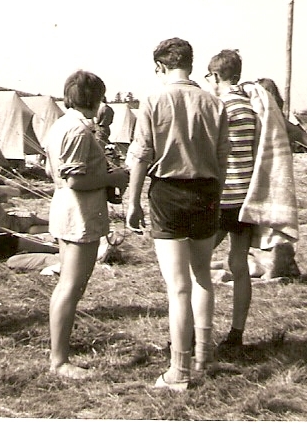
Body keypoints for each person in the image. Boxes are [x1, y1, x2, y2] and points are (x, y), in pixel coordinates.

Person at [126, 38, 229, 390]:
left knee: (178, 288)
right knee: (203, 277)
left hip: (168, 193)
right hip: (206, 191)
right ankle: (203, 354)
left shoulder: (154, 100)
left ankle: (179, 370)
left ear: (160, 67)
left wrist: (132, 199)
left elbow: (140, 154)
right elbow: (223, 158)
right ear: (190, 62)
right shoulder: (214, 102)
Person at [45, 70, 129, 379]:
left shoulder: (61, 125)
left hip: (67, 209)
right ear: (96, 99)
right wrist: (114, 177)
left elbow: (55, 172)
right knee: (71, 286)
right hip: (79, 212)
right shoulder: (79, 131)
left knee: (68, 284)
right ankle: (59, 361)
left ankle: (59, 352)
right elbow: (75, 179)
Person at [205, 50, 259, 355]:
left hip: (222, 196)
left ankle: (198, 330)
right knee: (239, 265)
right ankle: (236, 333)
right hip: (246, 198)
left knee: (194, 261)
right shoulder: (250, 107)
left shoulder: (219, 105)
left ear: (214, 77)